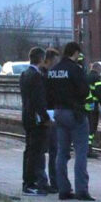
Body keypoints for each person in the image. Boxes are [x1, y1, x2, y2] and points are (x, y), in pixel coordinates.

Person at [48, 41, 93, 201]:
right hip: (75, 113)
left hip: (58, 112)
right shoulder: (75, 69)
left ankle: (63, 189)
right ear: (75, 53)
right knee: (81, 152)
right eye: (78, 54)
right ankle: (81, 190)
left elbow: (49, 92)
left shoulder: (53, 70)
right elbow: (84, 91)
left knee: (62, 152)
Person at [19, 47, 52, 196]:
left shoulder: (24, 74)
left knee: (29, 150)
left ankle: (27, 182)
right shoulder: (36, 76)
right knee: (35, 152)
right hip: (36, 119)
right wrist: (46, 117)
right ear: (41, 59)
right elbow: (38, 100)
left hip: (27, 116)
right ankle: (30, 183)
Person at [42, 48, 60, 193]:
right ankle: (52, 182)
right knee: (52, 149)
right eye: (55, 61)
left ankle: (51, 181)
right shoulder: (45, 77)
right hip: (49, 115)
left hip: (50, 114)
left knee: (52, 150)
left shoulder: (44, 75)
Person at [84, 62, 101, 158]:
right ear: (98, 69)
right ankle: (88, 149)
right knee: (92, 127)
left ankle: (85, 147)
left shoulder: (85, 77)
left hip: (85, 105)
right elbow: (99, 92)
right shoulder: (97, 78)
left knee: (86, 126)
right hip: (94, 106)